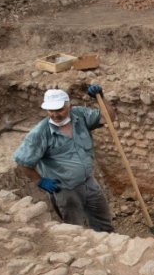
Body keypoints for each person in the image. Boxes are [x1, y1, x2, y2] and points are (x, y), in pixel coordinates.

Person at [13, 85, 115, 232]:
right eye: (51, 111)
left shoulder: (80, 116)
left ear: (70, 106)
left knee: (103, 221)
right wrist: (39, 180)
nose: (55, 114)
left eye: (59, 110)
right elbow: (22, 161)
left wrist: (101, 98)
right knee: (74, 228)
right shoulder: (39, 134)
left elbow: (108, 117)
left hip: (89, 182)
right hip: (66, 190)